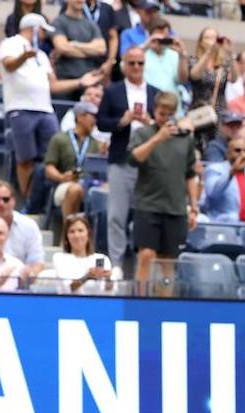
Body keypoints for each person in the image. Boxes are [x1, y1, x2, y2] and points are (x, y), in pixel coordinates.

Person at [0, 13, 101, 199]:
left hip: (45, 109)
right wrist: (24, 56)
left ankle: (45, 197)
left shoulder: (41, 55)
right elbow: (9, 65)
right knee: (25, 158)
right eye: (42, 31)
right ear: (34, 28)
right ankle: (29, 199)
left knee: (52, 155)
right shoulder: (10, 44)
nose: (44, 36)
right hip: (20, 108)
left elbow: (53, 85)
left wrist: (81, 82)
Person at [128, 91, 199, 290]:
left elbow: (190, 173)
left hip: (175, 207)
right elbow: (134, 158)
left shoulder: (185, 139)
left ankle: (164, 305)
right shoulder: (142, 134)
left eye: (169, 114)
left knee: (168, 261)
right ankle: (139, 302)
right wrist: (157, 138)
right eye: (161, 113)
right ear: (154, 110)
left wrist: (193, 206)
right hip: (148, 205)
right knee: (146, 254)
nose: (165, 118)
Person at [97, 45, 158, 269]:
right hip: (121, 158)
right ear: (124, 65)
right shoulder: (113, 91)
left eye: (140, 63)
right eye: (131, 62)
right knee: (116, 217)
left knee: (146, 217)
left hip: (149, 164)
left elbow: (163, 124)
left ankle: (142, 267)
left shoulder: (154, 92)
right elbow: (101, 122)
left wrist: (150, 123)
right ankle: (116, 267)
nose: (136, 67)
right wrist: (122, 121)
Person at [43, 101, 98, 222]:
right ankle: (68, 231)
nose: (95, 121)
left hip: (90, 185)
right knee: (75, 190)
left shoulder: (96, 143)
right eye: (92, 116)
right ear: (80, 117)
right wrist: (62, 177)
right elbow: (49, 168)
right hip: (65, 184)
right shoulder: (60, 138)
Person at [51, 212, 120, 294]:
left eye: (80, 231)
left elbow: (109, 291)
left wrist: (108, 278)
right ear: (67, 237)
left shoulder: (102, 258)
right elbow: (68, 289)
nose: (76, 235)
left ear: (88, 234)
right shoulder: (60, 258)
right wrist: (87, 277)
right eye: (72, 232)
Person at [51, 0, 108, 94]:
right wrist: (90, 51)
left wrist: (74, 44)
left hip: (89, 80)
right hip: (65, 80)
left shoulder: (91, 25)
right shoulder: (58, 22)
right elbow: (62, 47)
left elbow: (101, 49)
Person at [141, 20, 187, 97]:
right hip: (148, 99)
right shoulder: (141, 53)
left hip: (171, 101)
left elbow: (182, 80)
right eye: (158, 37)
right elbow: (124, 67)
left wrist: (182, 55)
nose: (161, 40)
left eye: (165, 37)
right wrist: (146, 45)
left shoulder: (175, 54)